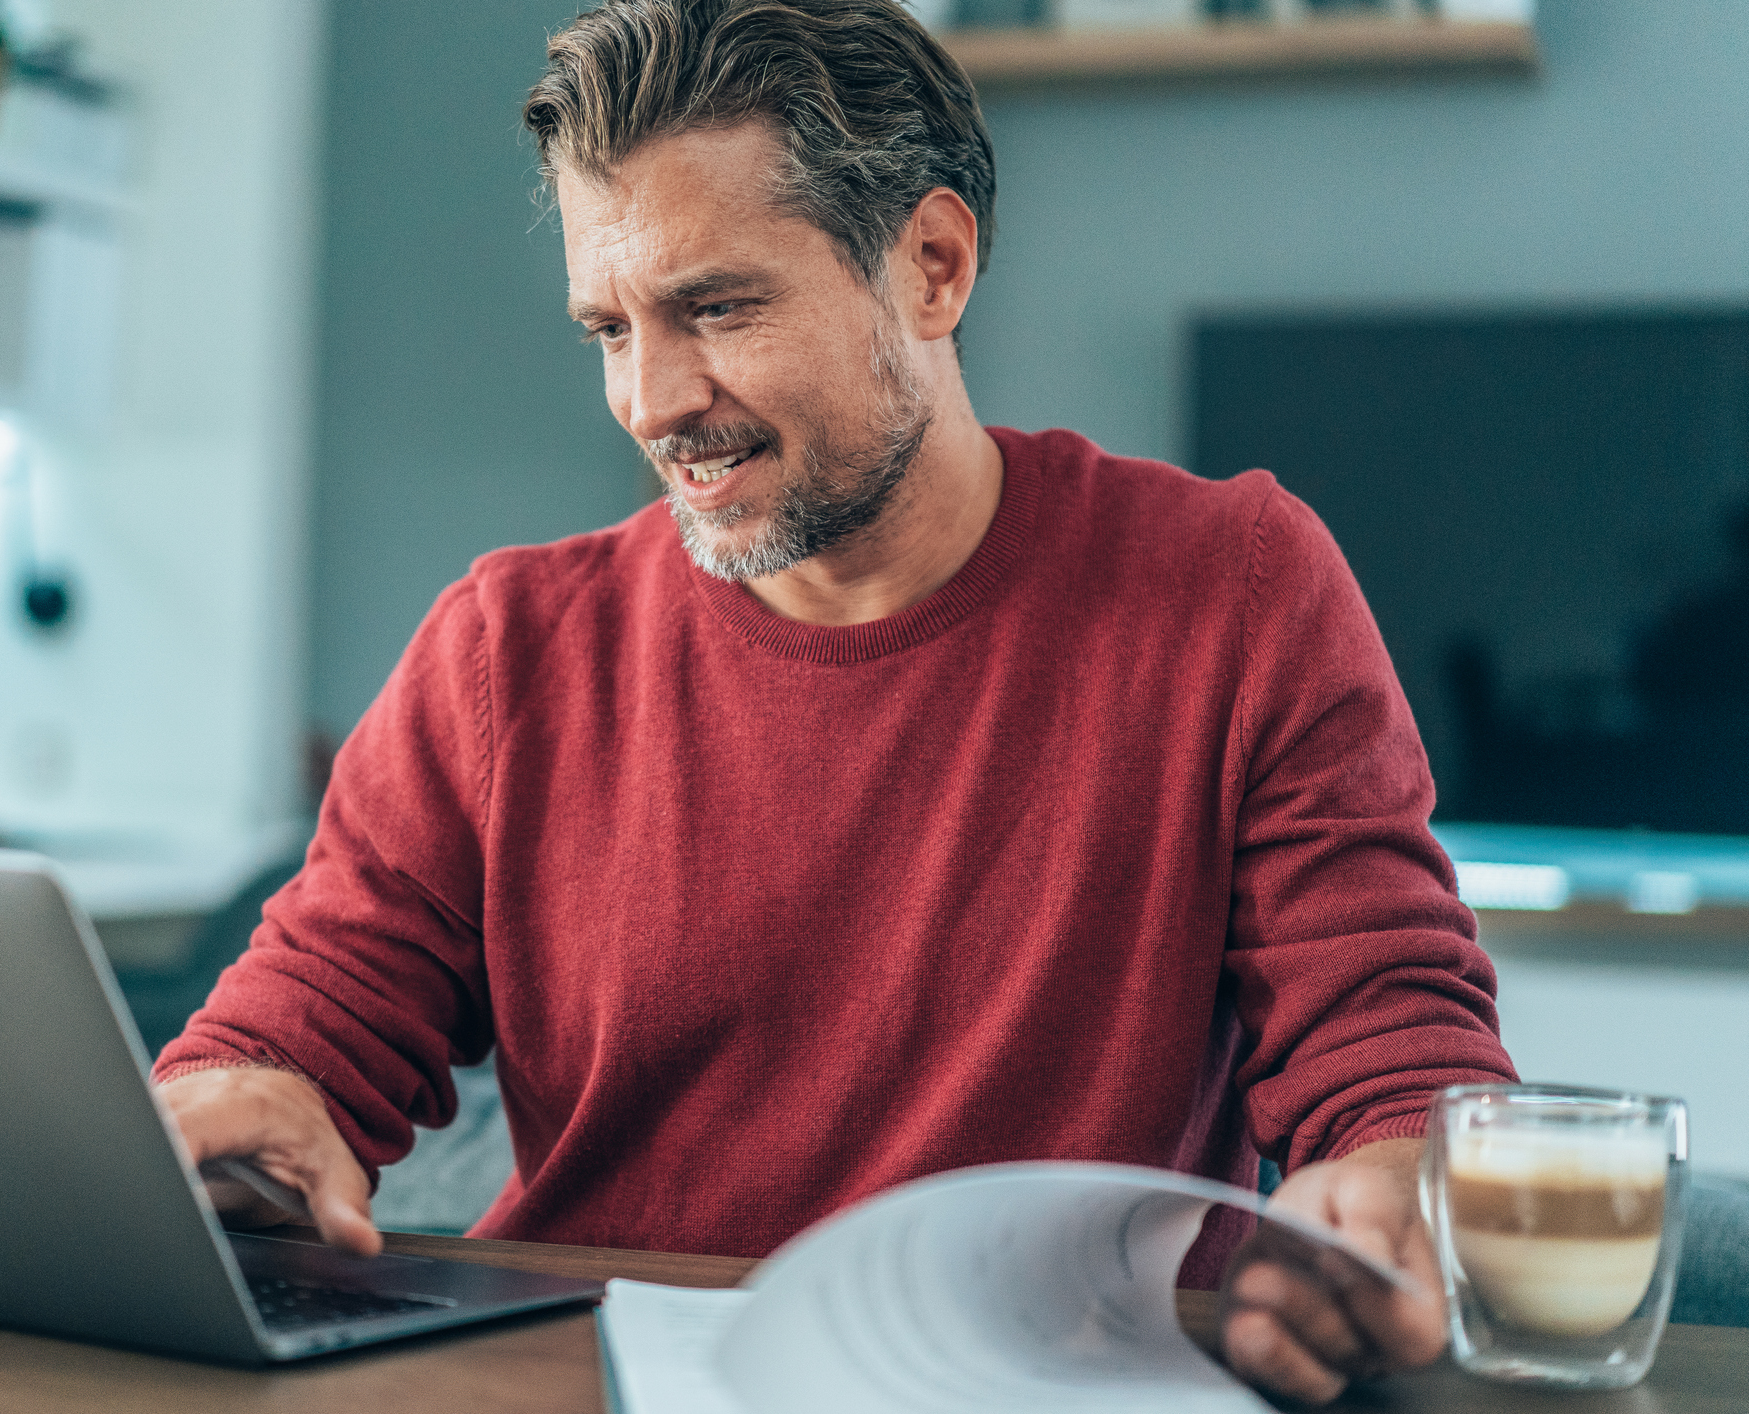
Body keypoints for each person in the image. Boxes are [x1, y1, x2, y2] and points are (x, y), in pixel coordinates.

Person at [153, 0, 1517, 1402]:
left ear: (931, 265)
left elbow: (1389, 1050)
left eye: (716, 307)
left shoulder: (1232, 589)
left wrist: (1385, 1191)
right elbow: (307, 1016)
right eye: (607, 327)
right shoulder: (506, 648)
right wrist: (253, 1096)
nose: (651, 397)